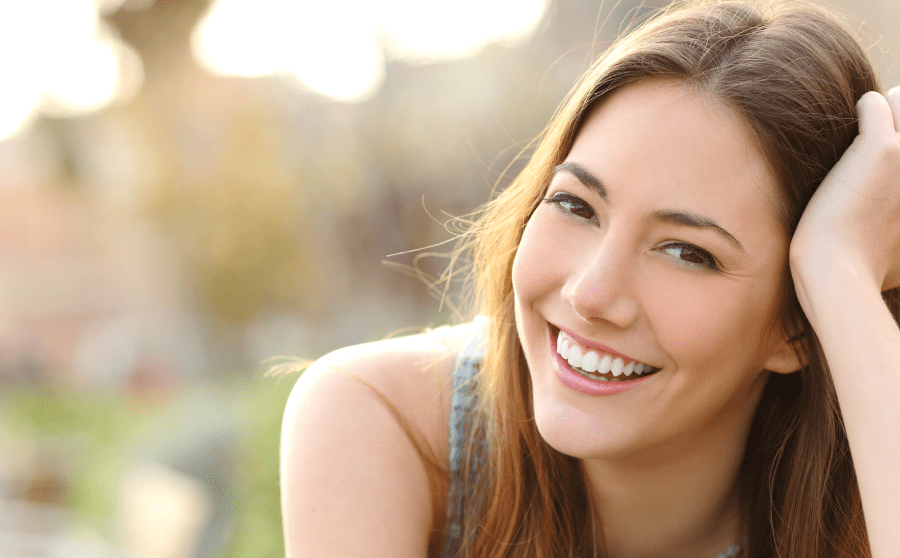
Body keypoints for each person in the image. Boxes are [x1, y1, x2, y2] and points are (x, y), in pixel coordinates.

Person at [279, 0, 900, 556]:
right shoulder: (382, 421)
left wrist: (842, 277)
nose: (590, 292)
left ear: (797, 328)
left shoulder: (867, 494)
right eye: (576, 206)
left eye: (685, 251)